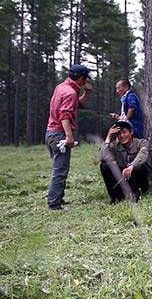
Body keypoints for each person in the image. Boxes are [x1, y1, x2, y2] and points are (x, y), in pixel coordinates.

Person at [46, 64, 93, 211]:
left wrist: (87, 93)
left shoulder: (61, 88)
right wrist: (69, 136)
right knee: (60, 171)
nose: (85, 82)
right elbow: (65, 115)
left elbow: (75, 105)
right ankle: (54, 205)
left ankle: (58, 197)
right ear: (81, 78)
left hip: (50, 133)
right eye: (85, 80)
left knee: (60, 168)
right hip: (60, 134)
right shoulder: (70, 93)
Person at [98, 120, 150, 203]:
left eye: (124, 132)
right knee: (104, 166)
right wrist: (108, 136)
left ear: (131, 132)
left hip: (136, 177)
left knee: (142, 168)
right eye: (118, 134)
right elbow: (101, 157)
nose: (122, 136)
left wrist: (132, 166)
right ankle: (115, 197)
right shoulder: (114, 146)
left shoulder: (141, 143)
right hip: (122, 178)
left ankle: (136, 194)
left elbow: (142, 155)